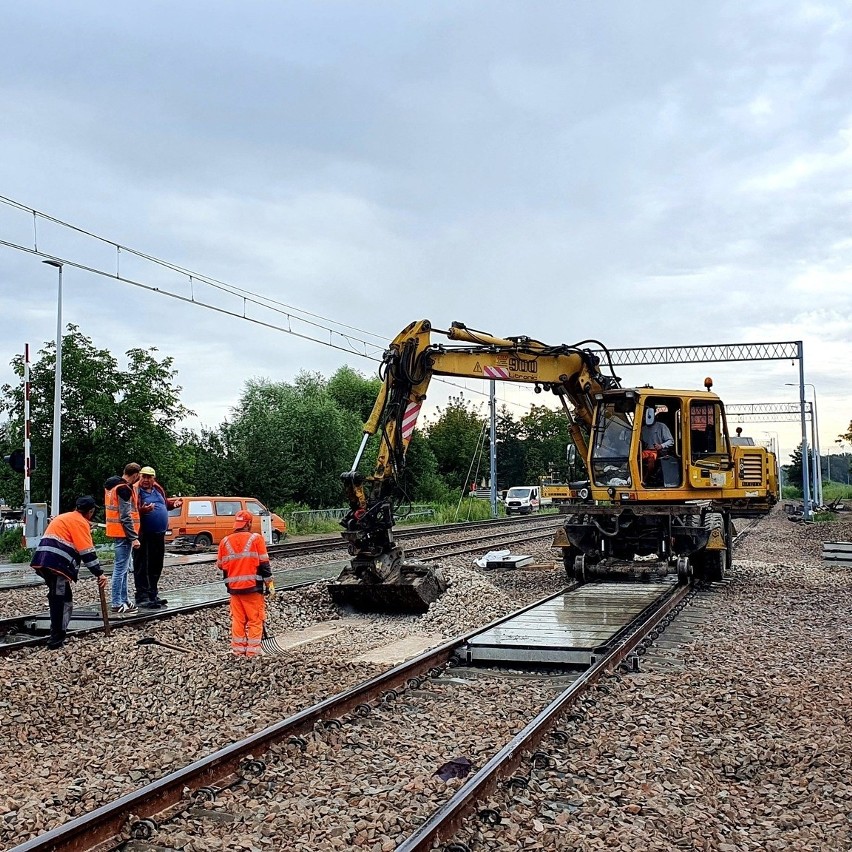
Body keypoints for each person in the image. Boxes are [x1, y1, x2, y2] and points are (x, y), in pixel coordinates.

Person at [31, 495, 108, 650]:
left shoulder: (65, 517)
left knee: (61, 597)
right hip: (56, 565)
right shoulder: (80, 522)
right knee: (61, 600)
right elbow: (87, 552)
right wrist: (99, 573)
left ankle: (57, 636)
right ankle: (56, 640)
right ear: (91, 511)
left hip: (44, 561)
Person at [217, 509, 273, 657]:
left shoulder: (224, 542)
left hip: (234, 590)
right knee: (255, 620)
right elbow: (264, 564)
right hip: (252, 588)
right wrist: (270, 585)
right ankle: (253, 653)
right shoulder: (256, 539)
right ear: (248, 523)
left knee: (238, 620)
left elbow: (221, 565)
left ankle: (238, 651)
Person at [133, 466, 182, 609]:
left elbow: (165, 504)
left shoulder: (158, 489)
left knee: (156, 564)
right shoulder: (136, 491)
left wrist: (174, 504)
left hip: (159, 534)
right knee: (142, 565)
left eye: (149, 477)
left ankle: (153, 593)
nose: (146, 480)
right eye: (143, 477)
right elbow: (132, 511)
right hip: (143, 534)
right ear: (139, 477)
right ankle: (142, 596)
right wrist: (144, 510)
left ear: (154, 478)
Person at [104, 462, 142, 614]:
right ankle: (117, 602)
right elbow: (125, 515)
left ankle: (124, 599)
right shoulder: (123, 489)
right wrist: (133, 537)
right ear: (134, 475)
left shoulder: (112, 486)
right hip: (124, 533)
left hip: (118, 532)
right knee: (120, 569)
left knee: (124, 568)